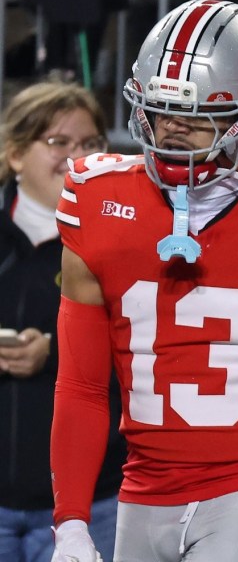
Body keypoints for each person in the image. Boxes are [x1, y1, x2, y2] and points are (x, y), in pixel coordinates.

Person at [48, 0, 238, 562]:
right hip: (140, 491)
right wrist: (71, 521)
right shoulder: (96, 199)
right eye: (159, 109)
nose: (172, 129)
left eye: (198, 115)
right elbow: (79, 385)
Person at [0, 81, 126, 562]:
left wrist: (56, 351)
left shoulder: (119, 242)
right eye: (58, 142)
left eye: (91, 143)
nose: (77, 156)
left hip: (95, 505)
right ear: (15, 155)